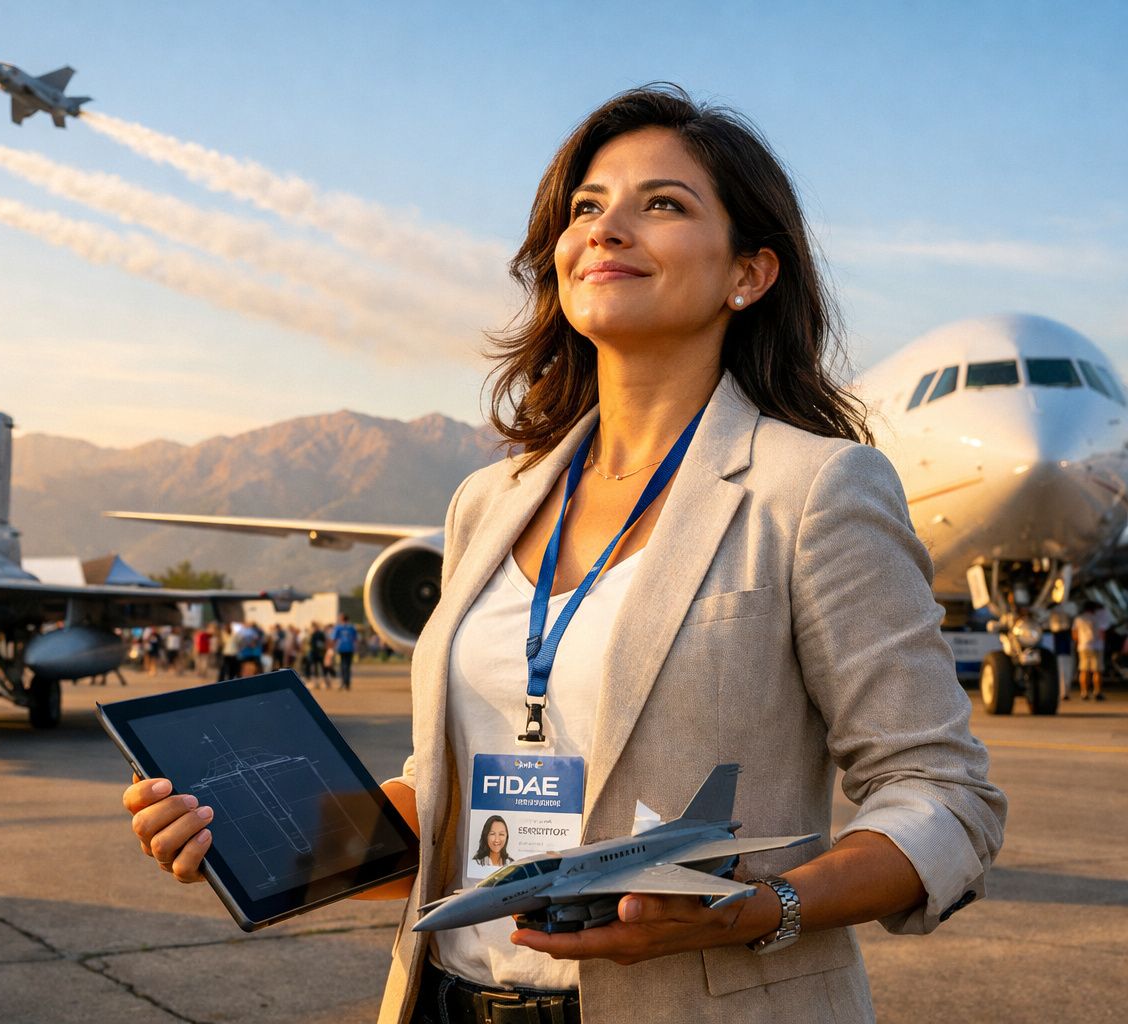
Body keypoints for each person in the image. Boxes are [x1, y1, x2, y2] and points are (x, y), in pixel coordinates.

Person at [121, 85, 1004, 1023]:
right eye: (587, 206)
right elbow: (447, 812)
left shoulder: (816, 490)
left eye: (662, 204)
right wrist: (255, 831)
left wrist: (759, 910)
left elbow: (944, 798)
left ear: (748, 274)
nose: (607, 227)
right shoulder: (489, 502)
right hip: (449, 1002)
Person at [1072, 600, 1111, 701]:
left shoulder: (1079, 619)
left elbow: (1074, 635)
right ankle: (1097, 691)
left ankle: (1084, 692)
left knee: (1084, 670)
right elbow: (1102, 633)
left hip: (1083, 647)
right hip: (1097, 646)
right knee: (1097, 671)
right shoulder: (1098, 618)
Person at [329, 614, 359, 690]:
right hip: (350, 648)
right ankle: (347, 683)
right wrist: (356, 648)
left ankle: (343, 683)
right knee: (348, 666)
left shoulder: (338, 627)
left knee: (342, 666)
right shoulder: (352, 628)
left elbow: (334, 638)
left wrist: (332, 648)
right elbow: (355, 639)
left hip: (341, 648)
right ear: (348, 619)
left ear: (341, 620)